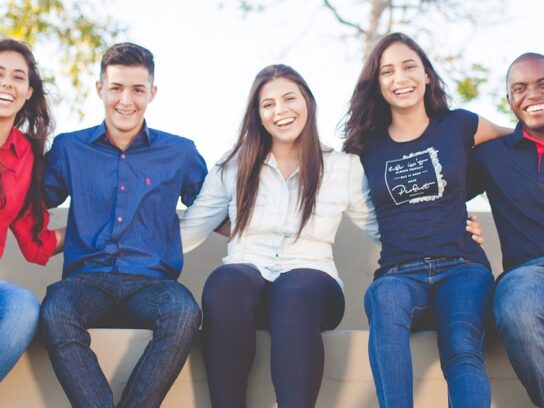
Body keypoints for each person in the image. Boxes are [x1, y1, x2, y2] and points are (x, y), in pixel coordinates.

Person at [180, 64, 379, 408]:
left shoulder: (343, 167)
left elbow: (385, 228)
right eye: (268, 104)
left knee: (295, 290)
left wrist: (447, 231)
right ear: (258, 115)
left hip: (312, 288)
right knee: (225, 282)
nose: (280, 110)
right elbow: (189, 229)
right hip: (247, 286)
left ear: (308, 102)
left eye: (289, 98)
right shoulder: (233, 166)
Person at [342, 32, 512, 407]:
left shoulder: (459, 124)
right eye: (387, 71)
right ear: (378, 84)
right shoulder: (364, 145)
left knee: (462, 347)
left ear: (427, 76)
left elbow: (519, 142)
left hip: (463, 266)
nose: (399, 78)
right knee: (383, 297)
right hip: (400, 274)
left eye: (408, 67)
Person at [40, 42, 207, 408]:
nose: (125, 100)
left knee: (183, 313)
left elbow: (215, 208)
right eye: (115, 88)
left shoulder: (180, 152)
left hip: (153, 283)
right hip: (87, 281)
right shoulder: (69, 148)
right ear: (100, 89)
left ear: (153, 93)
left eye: (137, 89)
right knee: (55, 309)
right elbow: (30, 201)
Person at [467, 52, 544, 407]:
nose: (532, 94)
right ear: (510, 98)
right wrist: (459, 230)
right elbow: (439, 189)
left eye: (542, 85)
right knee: (517, 304)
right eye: (520, 88)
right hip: (527, 273)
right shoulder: (492, 154)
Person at [0, 39, 62, 381]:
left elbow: (35, 243)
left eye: (17, 77)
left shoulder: (25, 155)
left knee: (23, 307)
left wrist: (98, 223)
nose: (7, 82)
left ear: (27, 92)